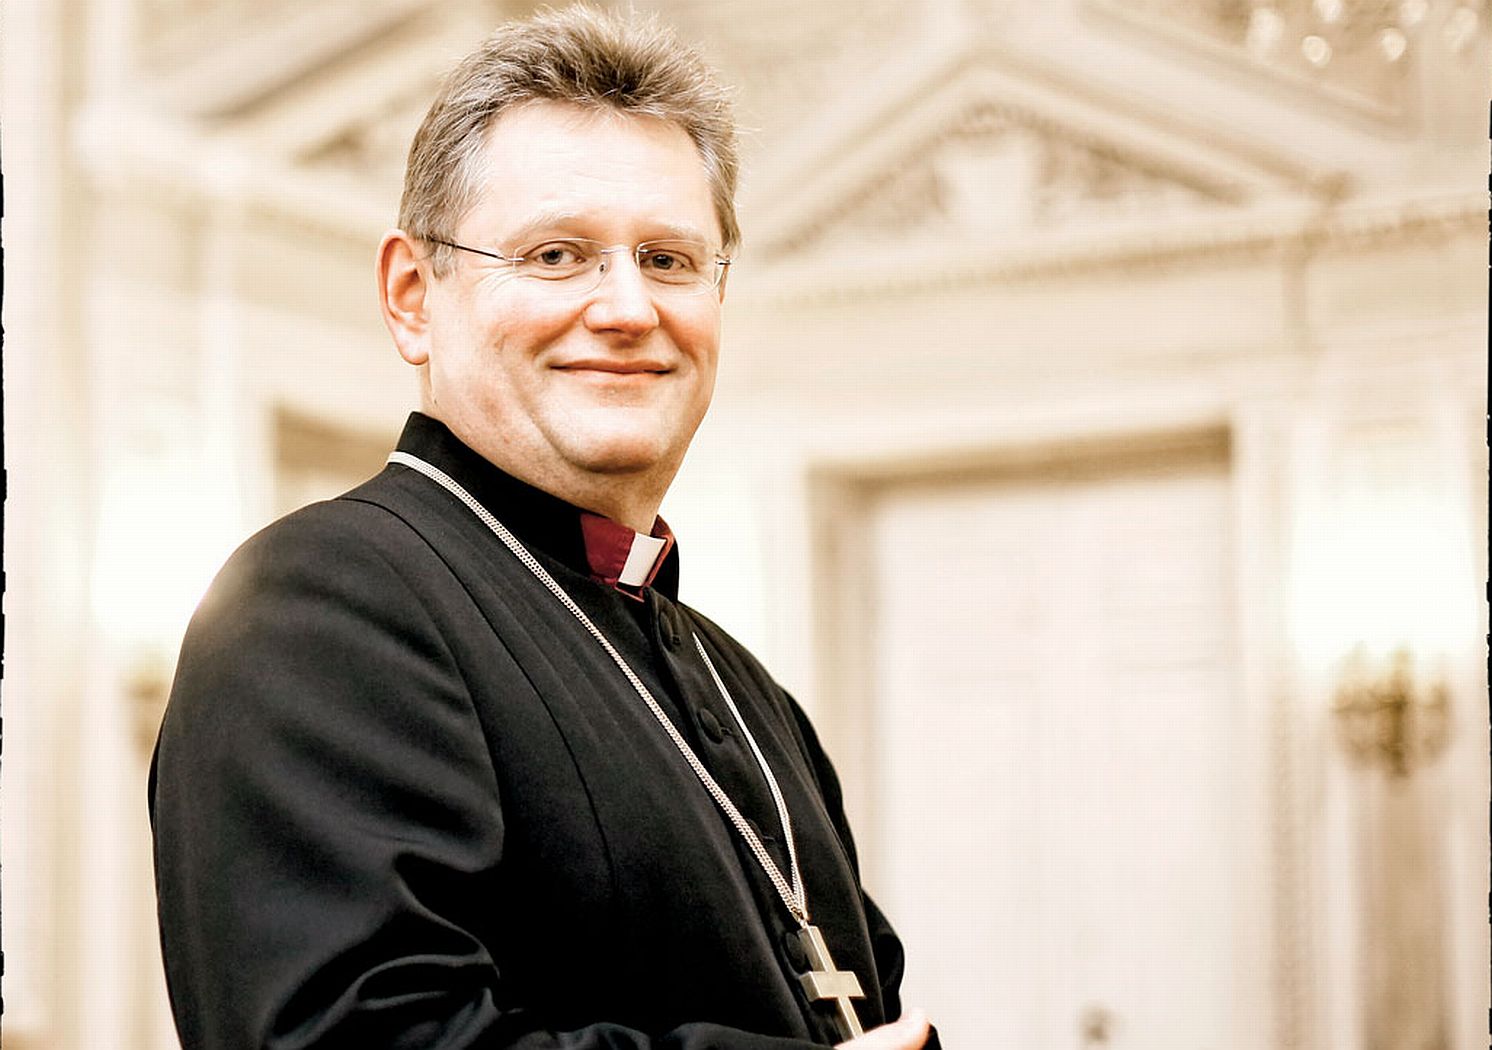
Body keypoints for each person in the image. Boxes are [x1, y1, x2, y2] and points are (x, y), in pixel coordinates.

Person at [150, 7, 937, 1049]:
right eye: (558, 254)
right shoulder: (319, 608)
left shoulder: (753, 697)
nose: (627, 308)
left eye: (669, 260)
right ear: (412, 297)